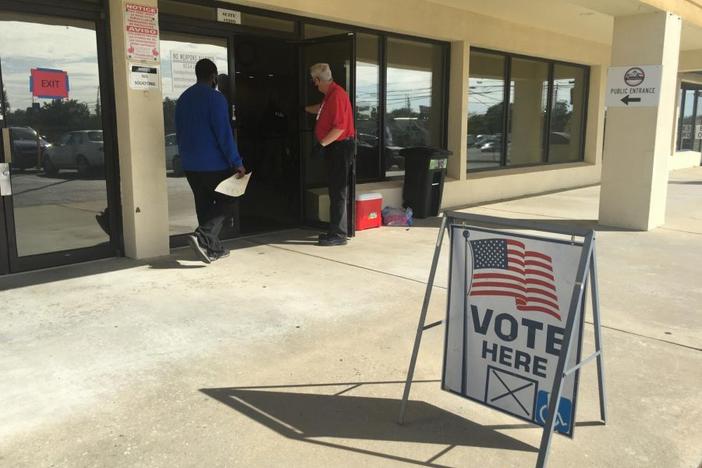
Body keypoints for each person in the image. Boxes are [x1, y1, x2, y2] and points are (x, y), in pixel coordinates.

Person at [175, 59, 245, 263]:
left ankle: (211, 249)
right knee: (229, 200)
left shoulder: (183, 98)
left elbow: (179, 132)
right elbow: (224, 134)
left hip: (190, 165)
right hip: (213, 164)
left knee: (204, 205)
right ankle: (203, 236)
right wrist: (237, 161)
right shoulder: (216, 99)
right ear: (214, 76)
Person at [304, 63, 355, 247]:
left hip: (340, 148)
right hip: (335, 147)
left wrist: (321, 145)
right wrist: (303, 109)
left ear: (318, 80)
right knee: (335, 190)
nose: (314, 85)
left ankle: (339, 234)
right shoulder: (330, 95)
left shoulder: (337, 95)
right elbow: (320, 109)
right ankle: (335, 231)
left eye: (313, 81)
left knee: (338, 191)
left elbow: (340, 127)